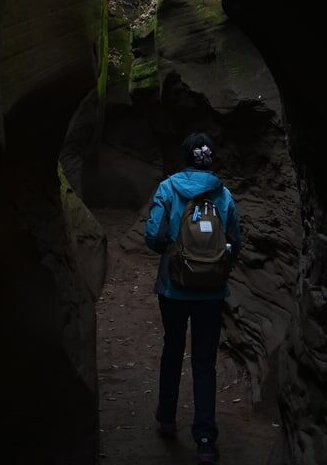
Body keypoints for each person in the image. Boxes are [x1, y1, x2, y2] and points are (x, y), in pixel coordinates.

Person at [145, 132, 242, 465]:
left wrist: (174, 253)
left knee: (173, 347)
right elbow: (235, 242)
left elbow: (153, 236)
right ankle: (205, 440)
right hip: (211, 292)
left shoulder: (168, 188)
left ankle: (167, 418)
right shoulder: (224, 195)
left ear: (184, 157)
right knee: (204, 361)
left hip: (173, 288)